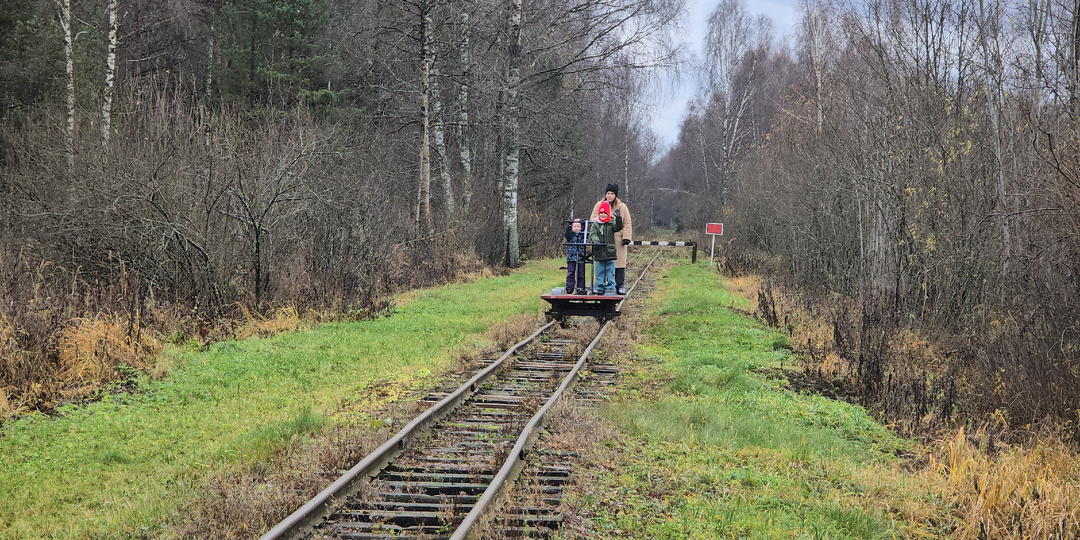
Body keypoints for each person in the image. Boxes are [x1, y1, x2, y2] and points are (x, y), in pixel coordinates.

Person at [590, 183, 632, 294]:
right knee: (602, 264)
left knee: (619, 263)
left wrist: (626, 237)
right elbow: (592, 219)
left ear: (615, 195)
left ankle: (620, 285)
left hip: (618, 240)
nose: (609, 195)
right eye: (608, 193)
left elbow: (627, 223)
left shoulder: (622, 207)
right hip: (603, 239)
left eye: (612, 193)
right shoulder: (599, 205)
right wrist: (602, 220)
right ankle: (601, 285)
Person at [589, 200, 623, 295]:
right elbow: (593, 234)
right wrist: (596, 241)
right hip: (599, 252)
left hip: (609, 252)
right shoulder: (595, 224)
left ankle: (611, 287)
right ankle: (600, 287)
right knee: (599, 271)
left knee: (610, 271)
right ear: (599, 214)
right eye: (601, 213)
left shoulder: (611, 223)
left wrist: (619, 218)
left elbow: (618, 227)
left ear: (608, 214)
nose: (603, 215)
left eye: (605, 213)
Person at [563, 219, 588, 295]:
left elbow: (587, 234)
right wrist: (569, 226)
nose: (576, 228)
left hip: (581, 256)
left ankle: (580, 288)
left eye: (578, 226)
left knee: (581, 273)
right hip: (571, 256)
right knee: (571, 273)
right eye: (574, 226)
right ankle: (569, 288)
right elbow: (566, 234)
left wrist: (584, 225)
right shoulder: (570, 236)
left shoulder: (582, 235)